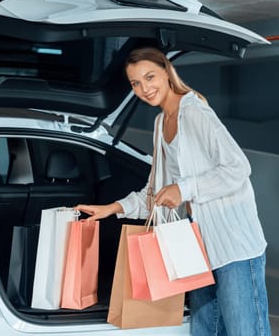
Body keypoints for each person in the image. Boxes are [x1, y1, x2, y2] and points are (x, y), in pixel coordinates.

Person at [75, 47, 270, 335]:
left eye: (150, 77)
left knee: (245, 331)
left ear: (167, 72)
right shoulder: (160, 123)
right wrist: (113, 208)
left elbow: (238, 168)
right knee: (205, 330)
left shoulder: (194, 112)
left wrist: (184, 188)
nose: (145, 88)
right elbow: (157, 192)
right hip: (195, 247)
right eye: (136, 84)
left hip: (232, 245)